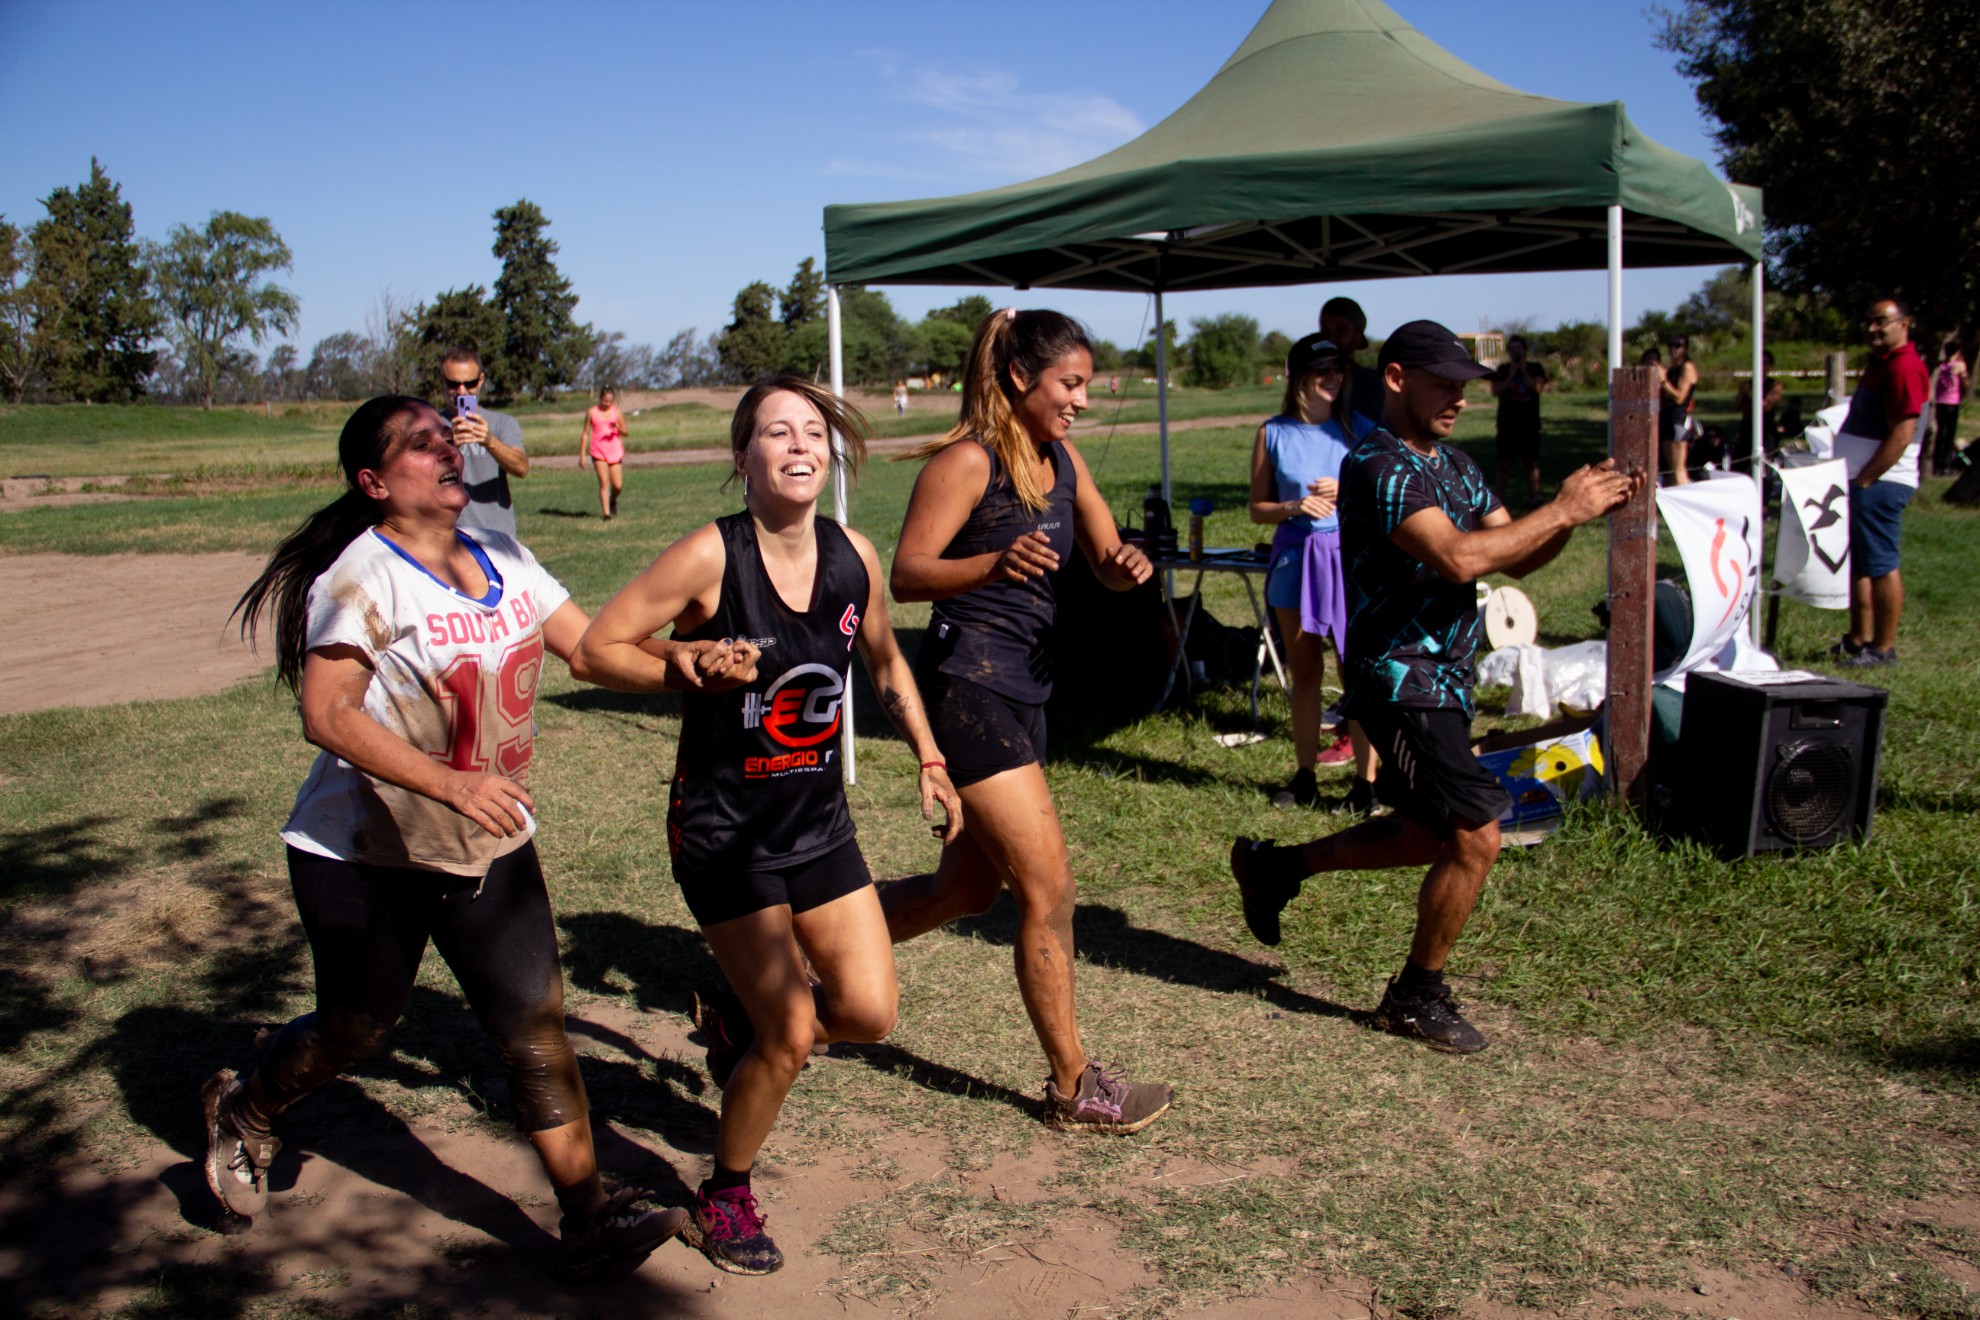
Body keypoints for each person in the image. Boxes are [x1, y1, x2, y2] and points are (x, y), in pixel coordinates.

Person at [205, 396, 686, 1279]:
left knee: (535, 1032)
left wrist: (689, 668)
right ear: (376, 481)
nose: (446, 449)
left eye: (446, 437)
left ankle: (588, 1218)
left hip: (485, 847)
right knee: (356, 1030)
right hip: (362, 855)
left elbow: (588, 651)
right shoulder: (361, 575)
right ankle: (246, 1108)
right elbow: (326, 714)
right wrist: (452, 783)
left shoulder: (502, 554)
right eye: (421, 445)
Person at [568, 375, 962, 1276]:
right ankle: (724, 1195)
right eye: (776, 433)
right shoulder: (711, 555)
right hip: (725, 833)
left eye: (813, 432)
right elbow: (595, 650)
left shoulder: (853, 556)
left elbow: (888, 661)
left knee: (865, 1013)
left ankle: (743, 1037)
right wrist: (689, 663)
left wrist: (932, 759)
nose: (799, 446)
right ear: (740, 456)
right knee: (792, 1029)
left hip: (819, 825)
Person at [1229, 321, 1641, 1053]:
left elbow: (1519, 557)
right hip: (1397, 678)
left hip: (1445, 675)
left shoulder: (1455, 464)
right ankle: (1415, 995)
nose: (1458, 398)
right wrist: (1564, 508)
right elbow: (1456, 558)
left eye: (1464, 385)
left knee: (1430, 830)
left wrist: (1581, 514)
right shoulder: (1378, 466)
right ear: (1395, 378)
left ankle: (1277, 867)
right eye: (1444, 383)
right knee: (1477, 832)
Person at [880, 307, 1174, 1133]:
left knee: (965, 890)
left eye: (1086, 384)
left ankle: (801, 949)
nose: (1082, 399)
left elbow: (1106, 564)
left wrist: (1127, 567)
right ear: (1021, 378)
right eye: (1069, 384)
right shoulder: (968, 463)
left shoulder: (1064, 458)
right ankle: (1076, 1085)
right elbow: (905, 574)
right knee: (1049, 890)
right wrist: (992, 562)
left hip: (1026, 692)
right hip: (965, 688)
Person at [1248, 333, 1378, 809]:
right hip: (1294, 558)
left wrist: (1346, 491)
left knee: (1357, 673)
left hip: (1348, 560)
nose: (1333, 378)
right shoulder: (1272, 433)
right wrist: (1293, 504)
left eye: (1338, 370)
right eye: (1322, 370)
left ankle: (1367, 783)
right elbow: (1257, 510)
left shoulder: (1361, 429)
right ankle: (1305, 776)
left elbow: (1387, 498)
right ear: (1298, 377)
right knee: (1305, 674)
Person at [1833, 298, 1929, 667]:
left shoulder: (1904, 367)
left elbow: (1902, 435)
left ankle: (1883, 648)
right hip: (1863, 481)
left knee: (1881, 563)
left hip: (1882, 482)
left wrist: (1867, 480)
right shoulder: (1882, 365)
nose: (1873, 329)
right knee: (1862, 562)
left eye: (1882, 322)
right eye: (1868, 322)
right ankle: (1858, 639)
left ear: (1905, 323)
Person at [439, 348, 529, 536]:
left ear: (480, 381)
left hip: (496, 537)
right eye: (453, 384)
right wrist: (450, 447)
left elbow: (521, 469)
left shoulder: (501, 422)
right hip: (449, 538)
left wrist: (490, 441)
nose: (461, 391)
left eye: (469, 383)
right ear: (442, 382)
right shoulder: (430, 424)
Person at [1490, 335, 1548, 505]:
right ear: (1509, 352)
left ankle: (1534, 498)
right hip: (1507, 423)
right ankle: (1498, 500)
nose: (1516, 352)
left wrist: (1523, 371)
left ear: (1525, 351)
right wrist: (1511, 375)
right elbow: (1495, 391)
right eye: (1512, 349)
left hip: (1529, 424)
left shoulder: (1535, 368)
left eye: (1519, 348)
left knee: (1531, 462)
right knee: (1504, 464)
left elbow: (1537, 388)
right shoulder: (1503, 369)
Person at [1319, 296, 1387, 431]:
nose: (1331, 338)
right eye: (1326, 330)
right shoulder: (1310, 379)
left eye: (1340, 331)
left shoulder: (1370, 384)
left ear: (1357, 336)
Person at [578, 386, 627, 521]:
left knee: (617, 485)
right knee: (604, 483)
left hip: (614, 451)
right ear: (600, 399)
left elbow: (626, 432)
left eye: (609, 402)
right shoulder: (592, 412)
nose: (606, 404)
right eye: (604, 401)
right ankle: (606, 514)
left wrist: (617, 428)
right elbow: (585, 434)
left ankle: (613, 500)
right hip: (598, 451)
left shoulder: (616, 412)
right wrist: (582, 456)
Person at [1734, 349, 1784, 477]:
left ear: (1770, 366)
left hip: (1765, 428)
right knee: (1741, 465)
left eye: (1765, 363)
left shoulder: (1775, 386)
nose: (1762, 365)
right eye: (1759, 362)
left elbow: (1765, 406)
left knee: (1763, 467)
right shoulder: (1746, 384)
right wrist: (1741, 394)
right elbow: (1736, 407)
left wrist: (1750, 393)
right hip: (1747, 427)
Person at [1658, 334, 1700, 484]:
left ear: (1685, 348)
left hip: (1679, 418)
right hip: (1667, 417)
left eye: (1678, 345)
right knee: (1670, 469)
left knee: (1678, 469)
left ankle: (1687, 503)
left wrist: (1663, 380)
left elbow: (1679, 397)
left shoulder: (1687, 367)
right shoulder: (1671, 369)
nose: (1673, 349)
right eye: (1670, 345)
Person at [1930, 342, 1966, 478]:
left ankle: (1935, 462)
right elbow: (1965, 383)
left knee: (1939, 434)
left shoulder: (1941, 366)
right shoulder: (1959, 366)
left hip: (1939, 402)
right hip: (1952, 403)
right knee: (1949, 435)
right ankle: (1945, 465)